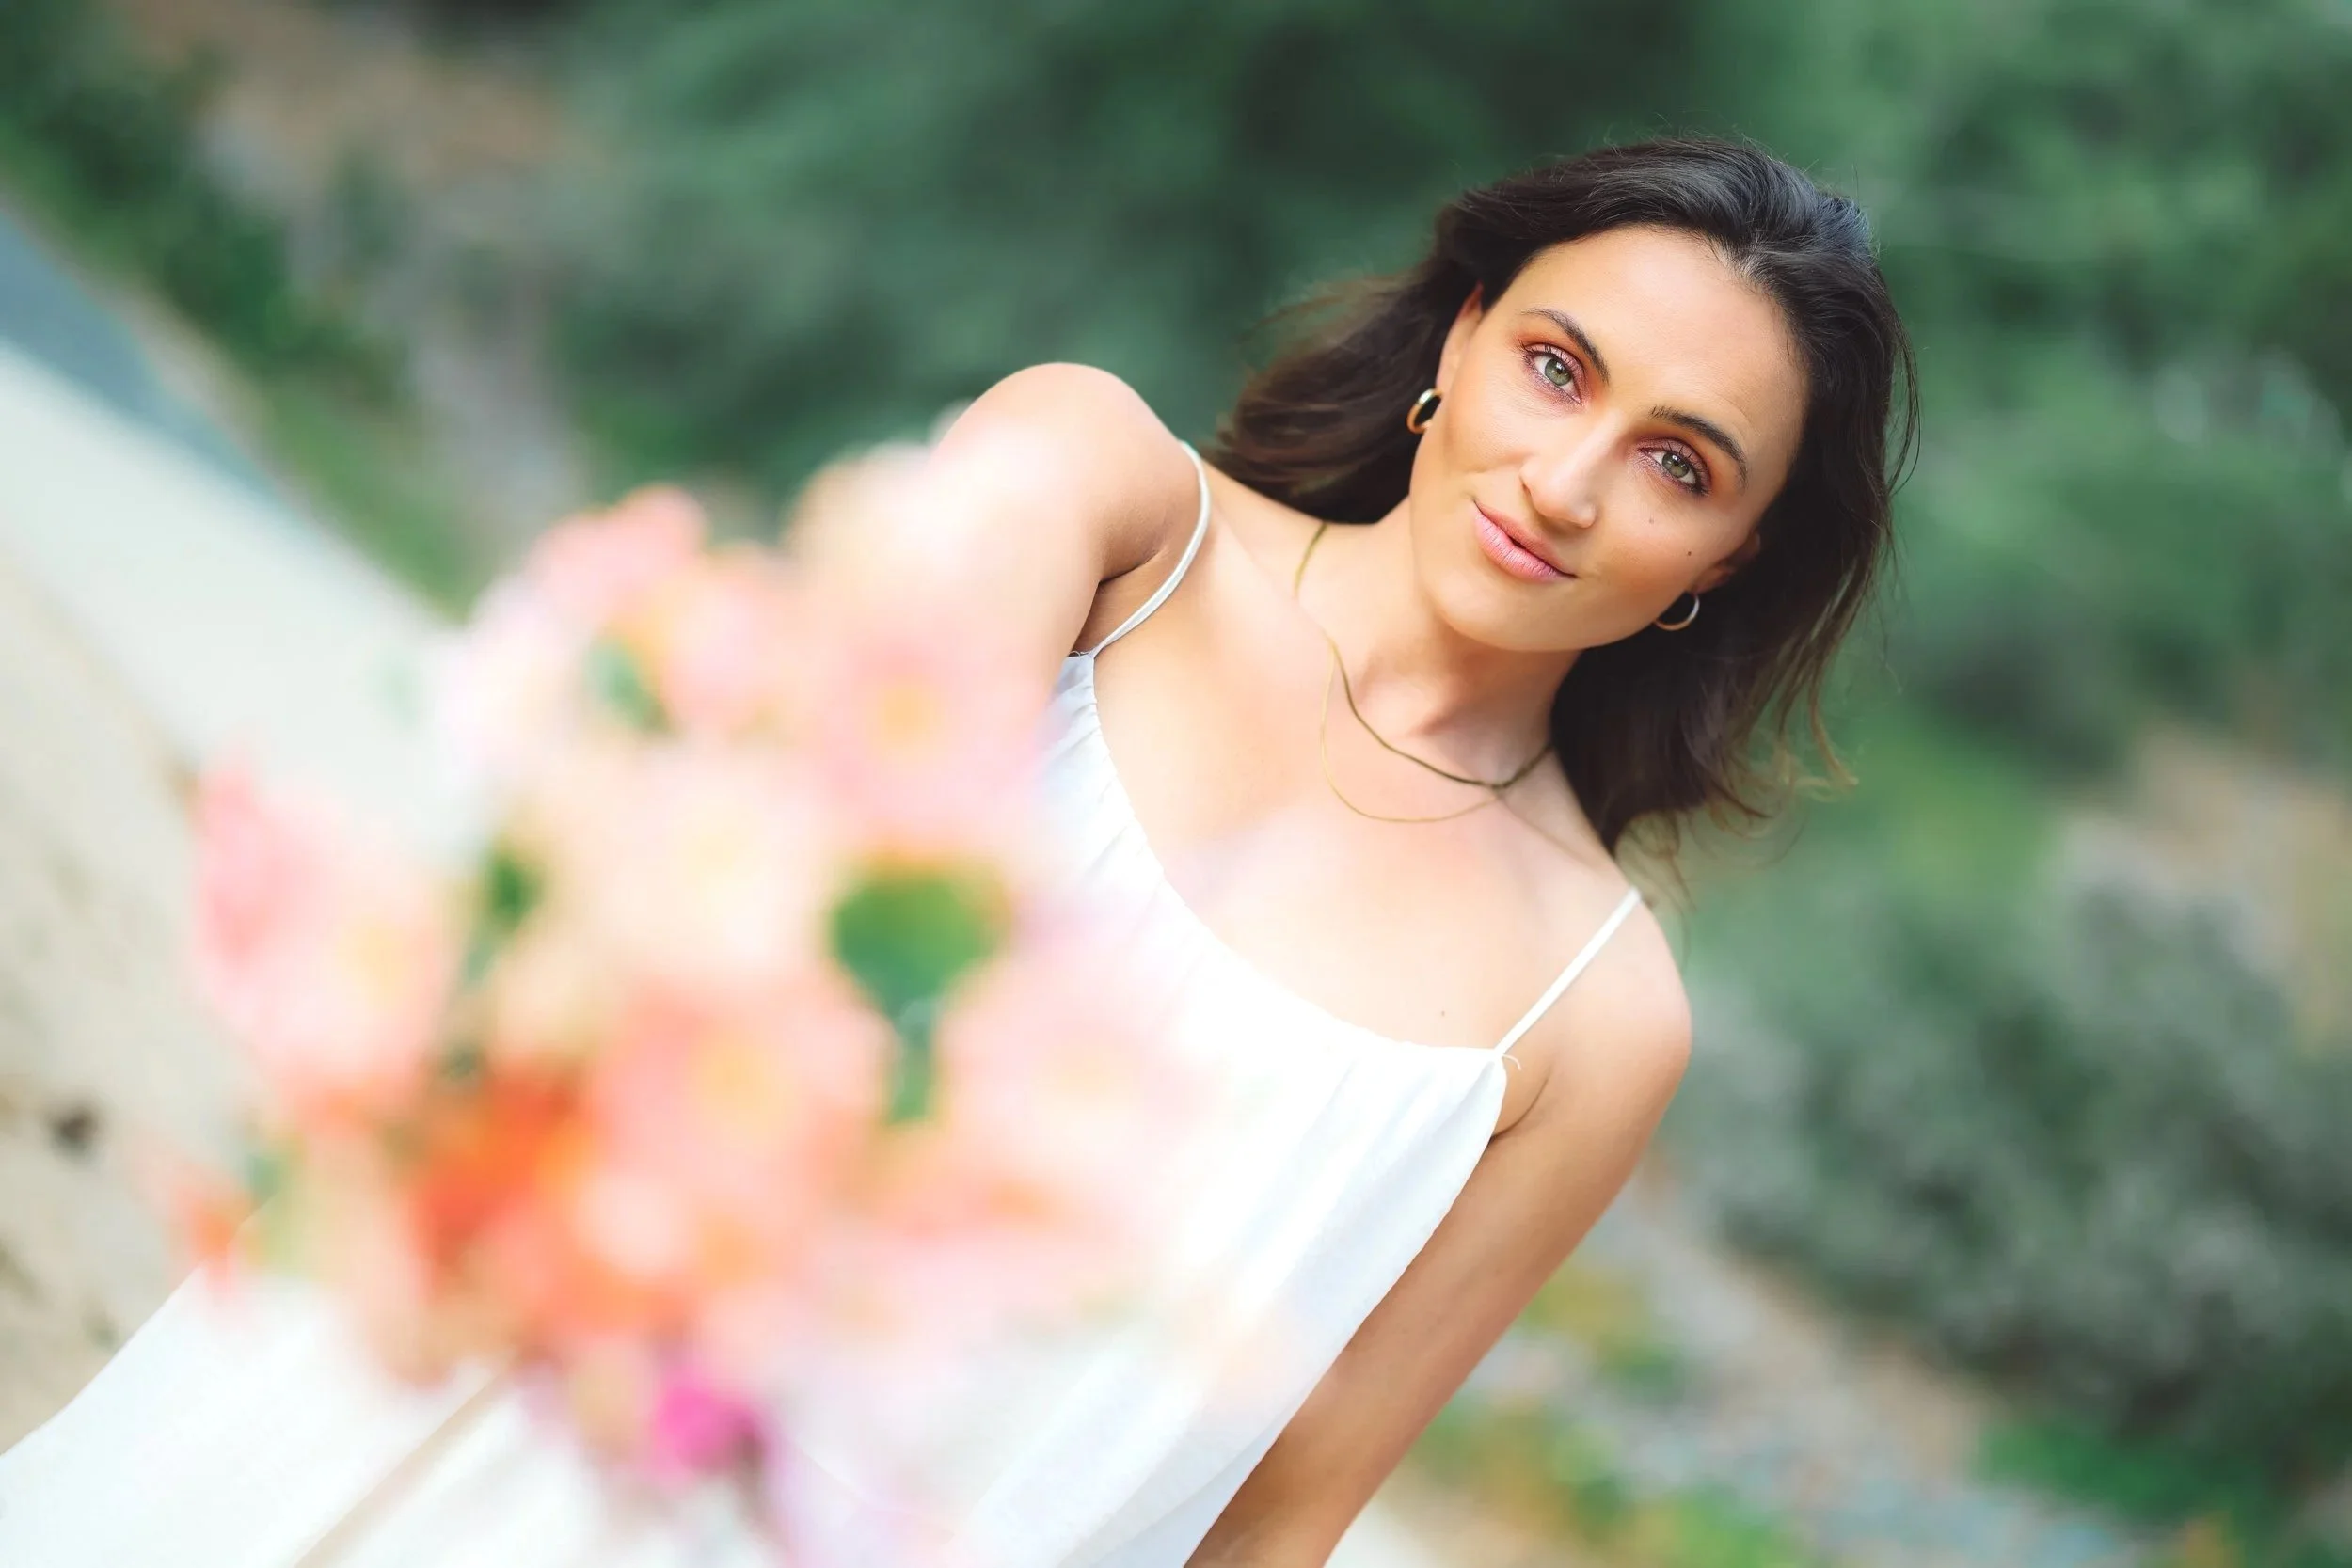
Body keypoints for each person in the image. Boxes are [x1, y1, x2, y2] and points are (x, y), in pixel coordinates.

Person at [0, 136, 1912, 1567]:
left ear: (1729, 556)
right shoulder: (1101, 496)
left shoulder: (1592, 1013)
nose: (1565, 482)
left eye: (1681, 462)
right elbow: (770, 910)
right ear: (1462, 336)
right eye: (1558, 367)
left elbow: (1279, 1516)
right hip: (557, 1400)